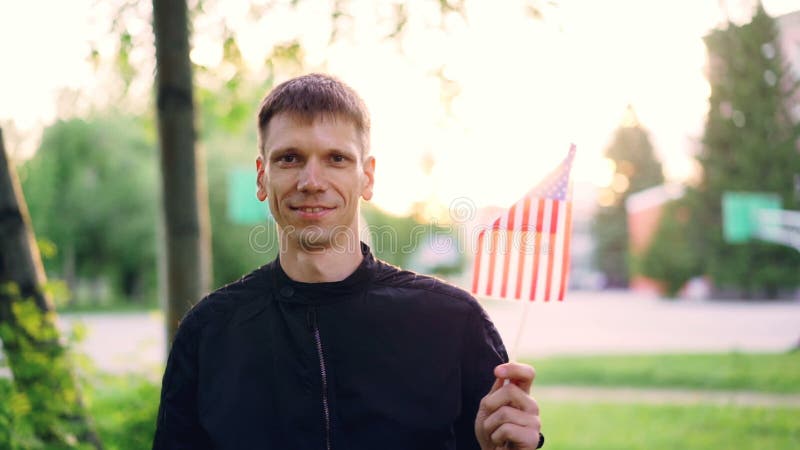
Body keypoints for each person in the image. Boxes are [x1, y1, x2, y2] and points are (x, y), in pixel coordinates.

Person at [152, 73, 544, 449]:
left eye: (336, 158)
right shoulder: (209, 333)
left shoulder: (454, 322)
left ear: (367, 177)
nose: (311, 181)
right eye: (290, 158)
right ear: (261, 176)